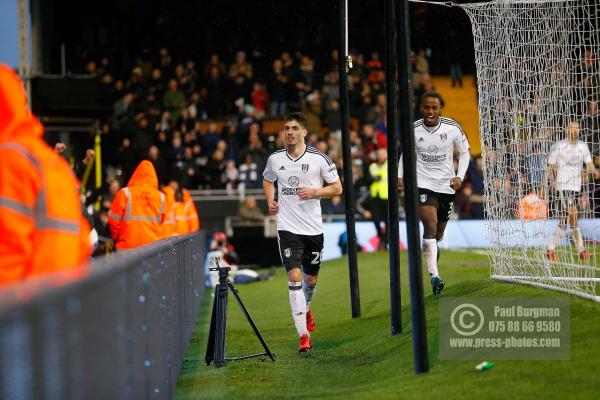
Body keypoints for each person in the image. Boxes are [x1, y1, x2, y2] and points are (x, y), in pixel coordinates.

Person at [0, 64, 90, 285]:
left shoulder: (9, 161)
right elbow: (82, 241)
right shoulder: (53, 164)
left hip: (19, 308)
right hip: (62, 304)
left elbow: (8, 254)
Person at [262, 112, 342, 353]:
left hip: (313, 229)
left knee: (311, 279)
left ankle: (306, 309)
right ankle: (303, 336)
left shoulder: (320, 159)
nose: (289, 132)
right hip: (287, 228)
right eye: (286, 128)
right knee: (294, 277)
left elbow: (337, 188)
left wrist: (315, 192)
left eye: (295, 128)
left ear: (304, 132)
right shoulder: (275, 159)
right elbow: (268, 181)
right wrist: (270, 200)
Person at [398, 92, 470, 295]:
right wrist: (400, 176)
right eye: (426, 108)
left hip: (446, 186)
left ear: (439, 109)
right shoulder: (413, 129)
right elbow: (406, 154)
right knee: (429, 226)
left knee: (438, 234)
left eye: (434, 108)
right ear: (421, 108)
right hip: (423, 184)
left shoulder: (452, 128)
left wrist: (459, 177)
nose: (430, 111)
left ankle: (432, 266)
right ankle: (434, 276)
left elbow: (464, 153)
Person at [544, 121, 600, 260]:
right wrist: (542, 186)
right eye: (571, 128)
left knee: (566, 221)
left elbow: (589, 163)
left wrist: (594, 172)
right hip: (563, 186)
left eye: (577, 128)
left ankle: (550, 249)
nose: (574, 130)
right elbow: (550, 167)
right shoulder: (559, 146)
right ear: (566, 130)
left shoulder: (583, 146)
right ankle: (582, 251)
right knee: (573, 214)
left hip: (576, 187)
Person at [108, 160, 165, 250]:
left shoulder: (125, 193)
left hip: (127, 248)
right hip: (152, 248)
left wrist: (117, 238)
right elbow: (163, 223)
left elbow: (113, 221)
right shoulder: (161, 197)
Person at [368, 148, 389, 250]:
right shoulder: (373, 165)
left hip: (386, 196)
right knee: (375, 219)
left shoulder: (389, 164)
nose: (380, 156)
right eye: (379, 154)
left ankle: (385, 241)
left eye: (382, 154)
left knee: (387, 219)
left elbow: (382, 176)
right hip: (375, 195)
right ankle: (382, 237)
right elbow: (370, 176)